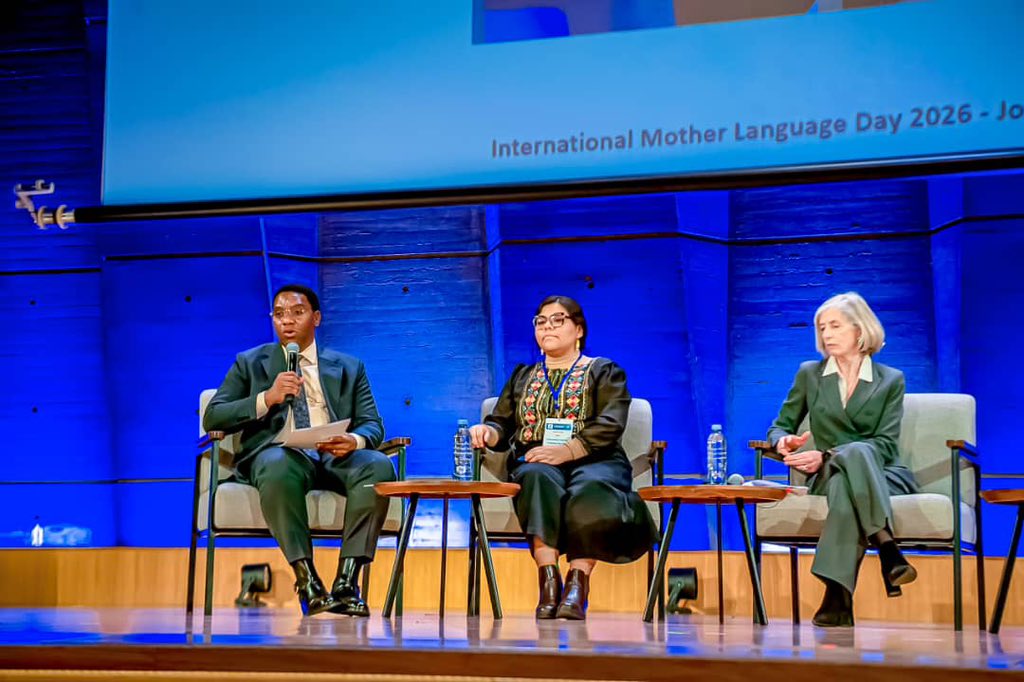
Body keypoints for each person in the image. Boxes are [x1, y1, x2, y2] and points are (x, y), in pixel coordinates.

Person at [203, 284, 396, 617]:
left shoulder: (349, 367)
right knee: (278, 463)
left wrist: (355, 441)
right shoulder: (250, 363)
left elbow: (372, 425)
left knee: (378, 466)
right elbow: (213, 416)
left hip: (336, 456)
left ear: (316, 317)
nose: (287, 322)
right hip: (281, 455)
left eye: (296, 312)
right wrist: (267, 398)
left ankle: (347, 583)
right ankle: (307, 582)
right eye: (278, 315)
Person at [469, 295, 657, 620]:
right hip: (538, 457)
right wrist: (489, 433)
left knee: (591, 487)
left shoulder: (605, 371)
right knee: (533, 476)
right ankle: (549, 580)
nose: (547, 327)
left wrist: (567, 450)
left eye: (558, 320)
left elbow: (611, 423)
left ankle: (577, 583)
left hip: (594, 458)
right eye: (541, 321)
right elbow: (501, 421)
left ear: (578, 329)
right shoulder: (523, 375)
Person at [768, 292, 919, 627]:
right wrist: (783, 442)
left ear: (860, 330)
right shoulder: (810, 374)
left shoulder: (891, 380)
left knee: (858, 455)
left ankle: (837, 595)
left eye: (835, 326)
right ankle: (887, 548)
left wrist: (826, 455)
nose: (827, 334)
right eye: (822, 328)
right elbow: (779, 426)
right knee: (841, 478)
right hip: (831, 476)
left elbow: (884, 444)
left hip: (883, 474)